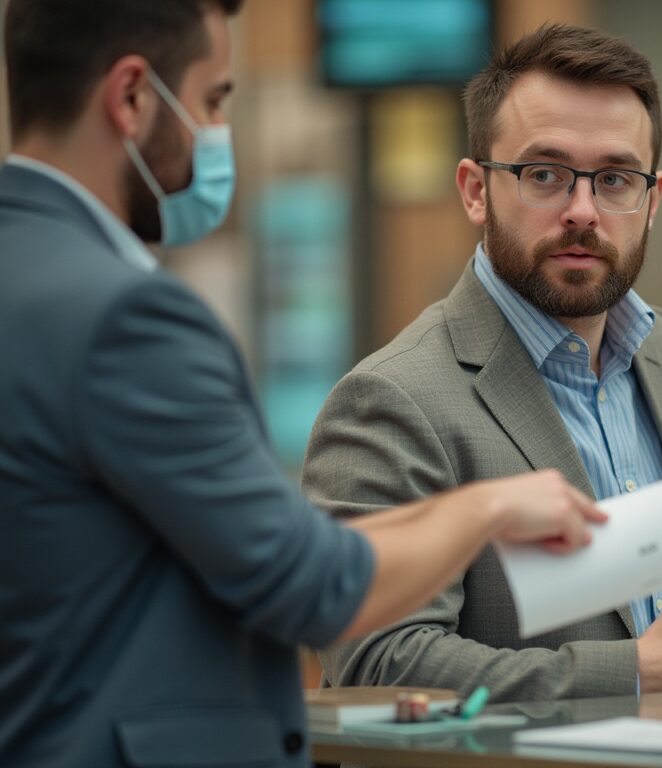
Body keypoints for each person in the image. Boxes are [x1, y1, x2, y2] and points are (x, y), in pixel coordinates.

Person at [0, 3, 605, 766]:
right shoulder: (129, 315)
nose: (218, 132)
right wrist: (488, 508)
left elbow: (271, 545)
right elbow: (312, 587)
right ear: (131, 97)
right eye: (214, 100)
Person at [302, 24, 662, 703]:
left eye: (615, 179)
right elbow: (378, 663)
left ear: (653, 200)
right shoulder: (391, 399)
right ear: (474, 190)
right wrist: (636, 674)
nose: (582, 211)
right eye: (544, 175)